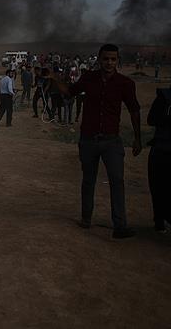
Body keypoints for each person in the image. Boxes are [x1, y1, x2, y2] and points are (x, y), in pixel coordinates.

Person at [59, 44, 141, 239]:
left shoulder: (125, 83)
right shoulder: (88, 78)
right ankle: (86, 218)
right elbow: (70, 91)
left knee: (117, 181)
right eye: (106, 59)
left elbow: (134, 110)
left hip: (111, 141)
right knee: (88, 180)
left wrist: (138, 138)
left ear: (117, 60)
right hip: (88, 139)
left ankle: (120, 226)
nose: (109, 63)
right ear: (99, 59)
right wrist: (54, 79)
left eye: (113, 59)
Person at [146, 86, 171, 233]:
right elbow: (151, 119)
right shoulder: (164, 97)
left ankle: (160, 219)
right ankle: (160, 219)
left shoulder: (164, 97)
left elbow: (151, 119)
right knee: (158, 187)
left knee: (158, 187)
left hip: (161, 149)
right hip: (162, 149)